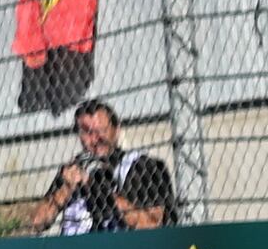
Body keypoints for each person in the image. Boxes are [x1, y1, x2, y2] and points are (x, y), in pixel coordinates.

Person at [34, 100, 178, 234]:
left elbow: (152, 226)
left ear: (116, 130)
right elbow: (37, 223)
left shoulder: (142, 166)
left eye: (101, 130)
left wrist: (101, 191)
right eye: (87, 132)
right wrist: (66, 189)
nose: (96, 139)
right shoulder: (74, 169)